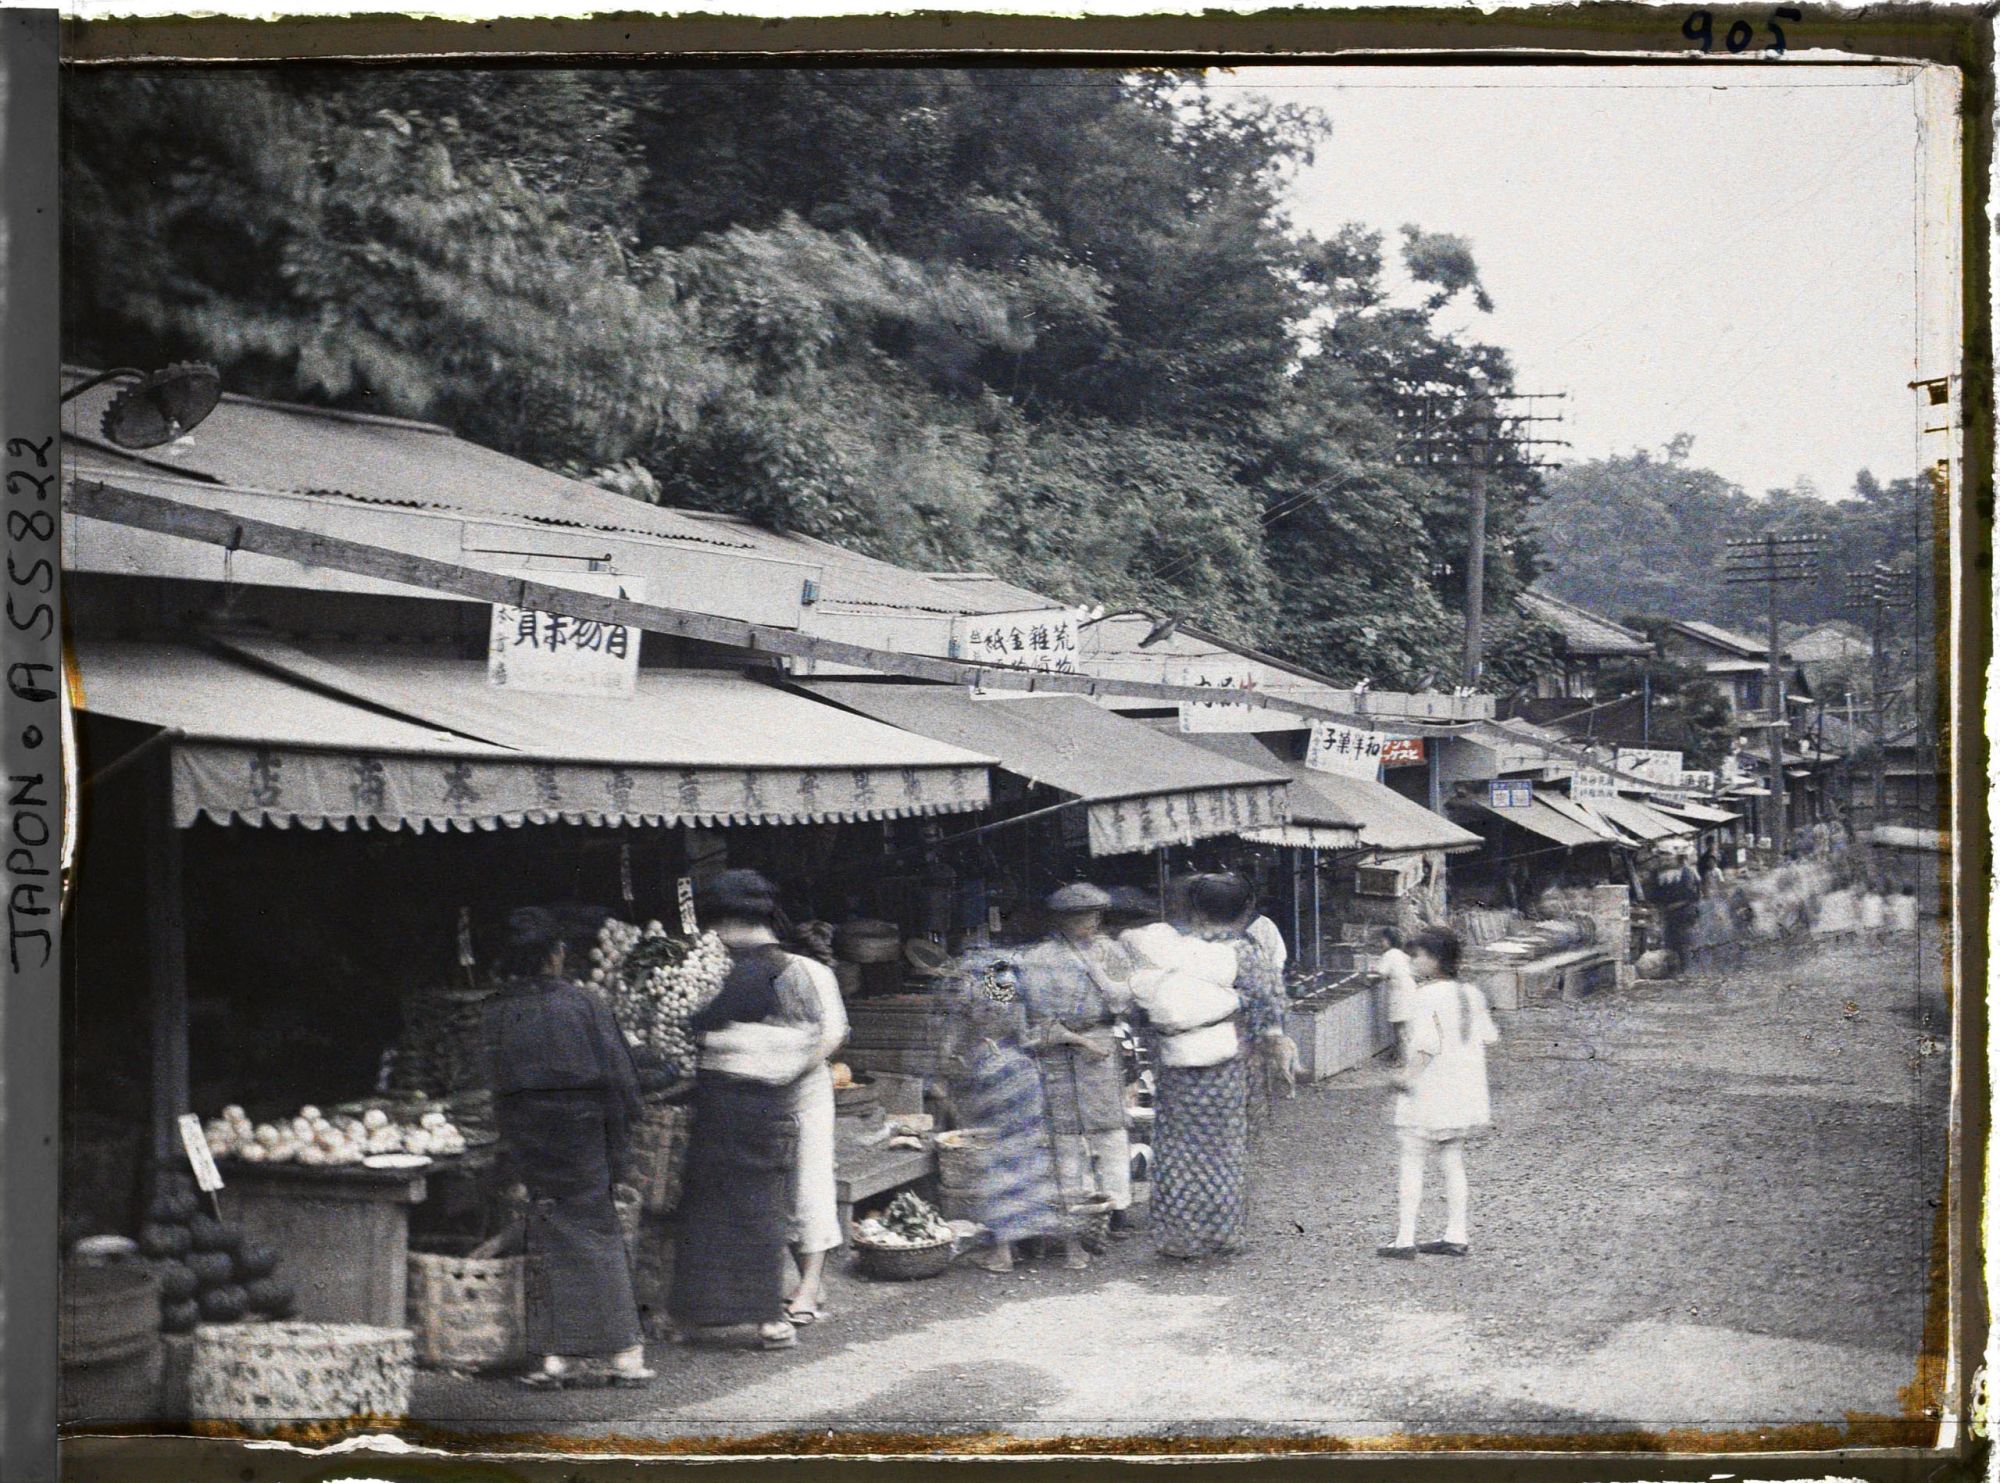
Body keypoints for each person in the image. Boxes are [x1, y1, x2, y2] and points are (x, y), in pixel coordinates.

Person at [486, 908, 652, 1389]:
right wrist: (623, 1145)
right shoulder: (584, 1004)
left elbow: (494, 1083)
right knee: (598, 1234)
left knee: (551, 1238)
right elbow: (621, 1077)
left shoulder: (497, 1009)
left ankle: (557, 1356)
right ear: (556, 956)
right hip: (583, 1133)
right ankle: (625, 1352)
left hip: (529, 1134)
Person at [669, 871, 825, 1351]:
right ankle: (750, 1317)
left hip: (733, 1108)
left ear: (732, 922)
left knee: (722, 1212)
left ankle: (738, 1317)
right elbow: (814, 1034)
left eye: (716, 924)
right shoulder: (791, 968)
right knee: (757, 1212)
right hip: (770, 1105)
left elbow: (703, 1021)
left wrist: (703, 1029)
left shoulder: (751, 971)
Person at [1127, 873, 1296, 1261]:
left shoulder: (1173, 948)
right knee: (1225, 1151)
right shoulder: (1247, 952)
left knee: (1175, 1148)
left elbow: (1140, 1007)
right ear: (1247, 909)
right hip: (1233, 1064)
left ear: (1196, 908)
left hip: (1175, 1061)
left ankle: (1177, 1237)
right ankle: (1221, 1234)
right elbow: (1270, 1007)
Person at [1017, 883, 1135, 1267]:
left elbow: (1124, 999)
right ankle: (1077, 1216)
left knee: (1110, 1131)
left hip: (1100, 1040)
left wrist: (1097, 969)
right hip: (1053, 1047)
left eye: (1093, 916)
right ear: (1060, 919)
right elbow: (1015, 1004)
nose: (1088, 923)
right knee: (1065, 1137)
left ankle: (1116, 1207)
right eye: (1078, 917)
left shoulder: (1112, 950)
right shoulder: (1036, 957)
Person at [941, 953, 1070, 1274]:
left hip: (992, 1076)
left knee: (999, 1162)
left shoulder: (966, 1001)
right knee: (1032, 1159)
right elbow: (1028, 1038)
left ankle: (1003, 1252)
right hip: (1025, 1076)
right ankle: (1066, 1247)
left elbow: (948, 1051)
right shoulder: (1011, 997)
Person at [1378, 925, 1499, 1260]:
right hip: (1463, 1091)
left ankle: (1404, 1238)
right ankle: (1456, 1233)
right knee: (1451, 1160)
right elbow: (1489, 1036)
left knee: (1412, 1159)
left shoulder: (1425, 996)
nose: (1413, 962)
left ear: (1433, 959)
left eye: (1417, 956)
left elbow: (1426, 1047)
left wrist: (1404, 1077)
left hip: (1430, 1090)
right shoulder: (1471, 993)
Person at [781, 918, 848, 1327]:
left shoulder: (812, 973)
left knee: (810, 1186)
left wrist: (786, 1067)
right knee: (780, 1190)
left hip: (806, 1086)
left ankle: (809, 1286)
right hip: (763, 1089)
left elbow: (833, 1033)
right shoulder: (739, 968)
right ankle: (806, 1281)